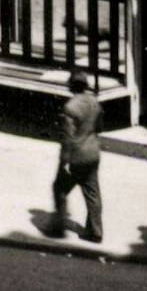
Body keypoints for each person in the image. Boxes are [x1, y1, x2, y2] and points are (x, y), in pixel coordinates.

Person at [49, 70, 106, 243]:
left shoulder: (70, 107)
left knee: (59, 188)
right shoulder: (95, 103)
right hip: (93, 153)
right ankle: (96, 231)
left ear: (71, 86)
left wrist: (64, 161)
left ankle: (58, 228)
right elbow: (100, 127)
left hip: (77, 157)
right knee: (92, 193)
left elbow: (67, 138)